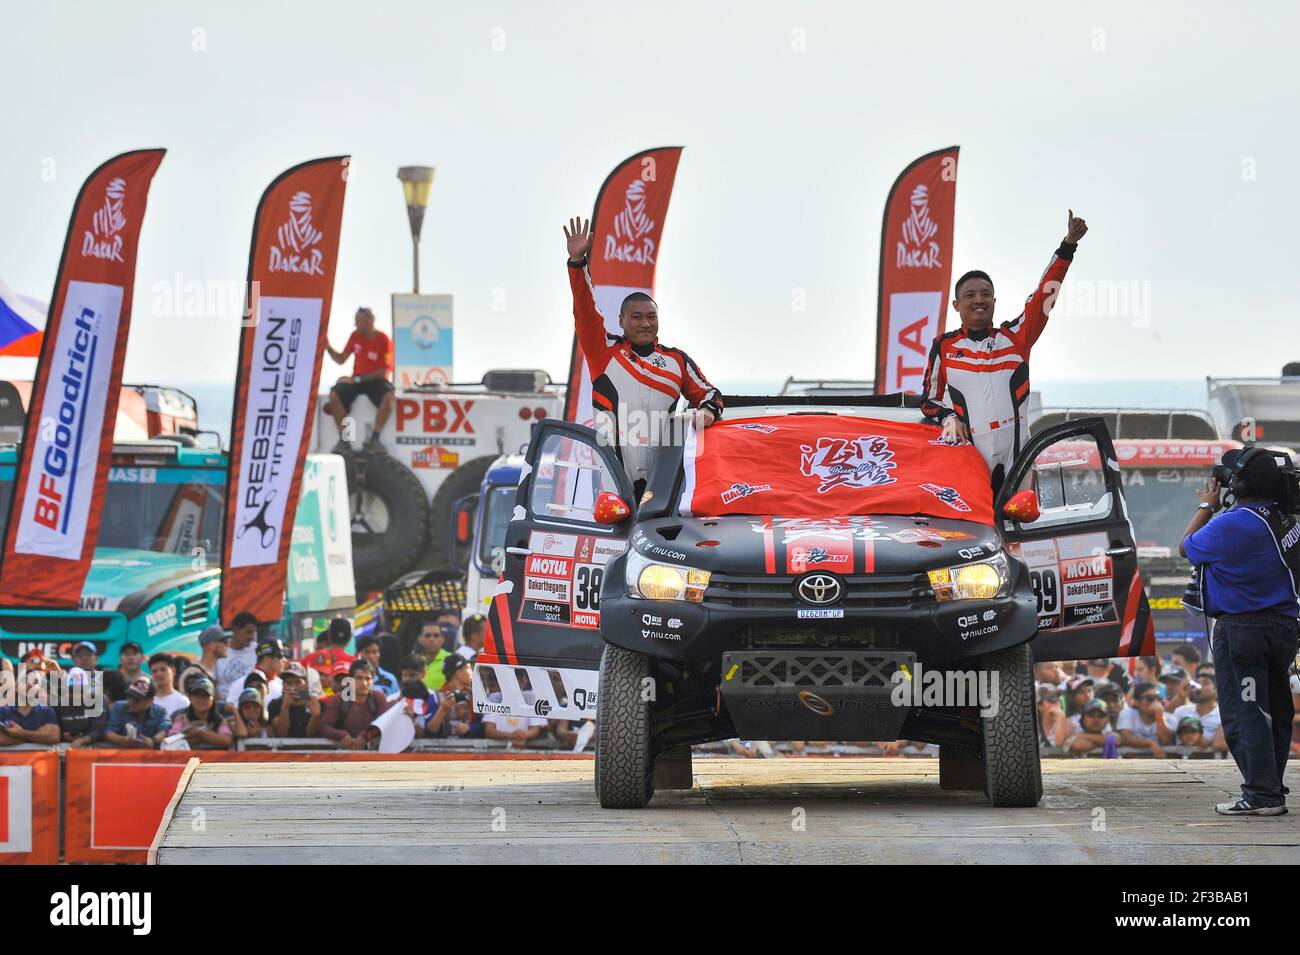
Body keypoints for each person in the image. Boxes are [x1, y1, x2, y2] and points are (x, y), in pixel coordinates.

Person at [920, 210, 1089, 488]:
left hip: (1017, 451)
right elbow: (928, 401)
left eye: (985, 294)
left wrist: (1068, 245)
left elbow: (1044, 295)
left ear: (995, 301)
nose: (979, 300)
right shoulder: (944, 346)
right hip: (970, 455)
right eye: (970, 295)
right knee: (977, 526)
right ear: (956, 305)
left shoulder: (1016, 337)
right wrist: (949, 417)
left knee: (1020, 522)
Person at [563, 216, 724, 497]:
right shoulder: (605, 354)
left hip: (666, 486)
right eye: (636, 317)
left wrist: (708, 411)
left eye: (651, 317)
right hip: (612, 483)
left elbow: (710, 394)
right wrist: (578, 264)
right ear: (621, 321)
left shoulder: (677, 362)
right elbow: (585, 313)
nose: (645, 323)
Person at [1180, 449, 1300, 815]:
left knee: (1245, 712)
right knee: (1276, 708)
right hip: (1283, 628)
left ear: (1237, 483)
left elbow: (1187, 547)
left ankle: (1261, 795)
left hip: (1243, 630)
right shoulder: (1285, 519)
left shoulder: (1232, 522)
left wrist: (1206, 506)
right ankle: (1270, 786)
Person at [324, 306, 394, 453]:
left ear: (369, 322)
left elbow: (384, 371)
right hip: (357, 380)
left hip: (374, 381)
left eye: (358, 321)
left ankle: (375, 438)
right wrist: (328, 347)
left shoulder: (383, 339)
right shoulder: (355, 336)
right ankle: (344, 439)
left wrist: (358, 380)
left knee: (389, 395)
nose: (355, 325)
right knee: (334, 395)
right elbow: (342, 359)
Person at [320, 661, 391, 749]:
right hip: (342, 754)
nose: (364, 683)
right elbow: (323, 727)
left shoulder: (378, 697)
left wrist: (366, 736)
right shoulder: (339, 698)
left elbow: (385, 723)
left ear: (372, 681)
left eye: (368, 679)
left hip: (372, 755)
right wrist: (341, 736)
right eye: (359, 678)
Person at [103, 678, 172, 749]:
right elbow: (108, 733)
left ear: (150, 700)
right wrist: (124, 740)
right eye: (129, 696)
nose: (131, 702)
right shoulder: (119, 707)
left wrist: (153, 741)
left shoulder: (160, 712)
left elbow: (165, 729)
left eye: (137, 699)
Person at [168, 677, 233, 750]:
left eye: (206, 696)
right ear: (190, 698)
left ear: (213, 699)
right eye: (197, 696)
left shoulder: (220, 721)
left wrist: (200, 734)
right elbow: (172, 739)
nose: (201, 700)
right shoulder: (181, 719)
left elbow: (227, 740)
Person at [1116, 681, 1175, 757]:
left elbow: (1165, 741)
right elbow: (1125, 738)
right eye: (1150, 699)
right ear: (1137, 702)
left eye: (1158, 698)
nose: (1155, 702)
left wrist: (1159, 716)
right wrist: (1150, 743)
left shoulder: (1168, 717)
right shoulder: (1128, 713)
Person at [268, 662, 323, 738]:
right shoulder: (275, 704)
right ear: (283, 686)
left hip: (310, 748)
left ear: (306, 684)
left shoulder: (316, 703)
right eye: (288, 683)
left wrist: (315, 717)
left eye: (298, 682)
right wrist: (285, 707)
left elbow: (311, 735)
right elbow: (281, 734)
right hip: (283, 748)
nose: (293, 687)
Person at [214, 612, 259, 704]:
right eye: (248, 632)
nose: (251, 637)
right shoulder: (220, 651)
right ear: (235, 630)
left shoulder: (257, 650)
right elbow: (213, 683)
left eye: (253, 633)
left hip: (250, 706)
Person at [426, 654, 474, 739]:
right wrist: (443, 709)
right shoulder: (436, 697)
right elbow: (429, 732)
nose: (471, 673)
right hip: (442, 750)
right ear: (458, 673)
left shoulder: (475, 696)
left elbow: (484, 726)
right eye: (468, 668)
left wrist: (470, 728)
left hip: (473, 750)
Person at [418, 615, 457, 692]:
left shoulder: (451, 660)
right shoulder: (416, 661)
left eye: (436, 635)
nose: (431, 639)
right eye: (427, 635)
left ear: (442, 639)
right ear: (420, 639)